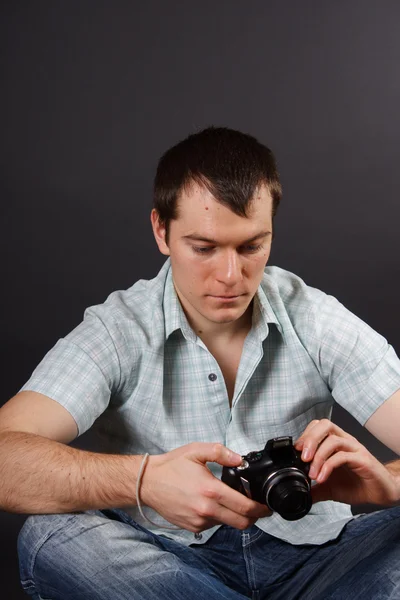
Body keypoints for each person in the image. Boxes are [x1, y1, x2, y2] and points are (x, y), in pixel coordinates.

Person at [1, 126, 400, 600]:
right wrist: (143, 481)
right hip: (168, 564)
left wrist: (386, 485)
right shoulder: (119, 328)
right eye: (204, 248)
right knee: (53, 539)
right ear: (161, 231)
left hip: (322, 560)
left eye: (251, 246)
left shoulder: (313, 316)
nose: (231, 276)